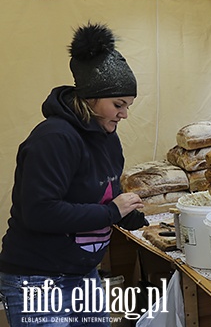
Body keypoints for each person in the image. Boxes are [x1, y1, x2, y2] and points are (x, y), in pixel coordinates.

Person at [0, 23, 148, 326]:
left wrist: (131, 215)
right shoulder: (54, 139)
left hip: (82, 274)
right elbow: (40, 212)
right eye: (118, 105)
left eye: (128, 105)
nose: (125, 114)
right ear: (91, 98)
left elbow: (104, 191)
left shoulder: (109, 138)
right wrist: (110, 212)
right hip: (37, 278)